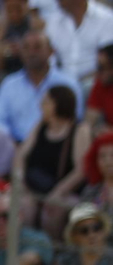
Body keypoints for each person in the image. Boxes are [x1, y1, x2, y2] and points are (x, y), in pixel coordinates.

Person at [18, 85, 91, 237]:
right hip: (34, 187)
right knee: (24, 206)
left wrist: (58, 192)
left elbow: (81, 170)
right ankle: (30, 247)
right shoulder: (40, 126)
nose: (41, 106)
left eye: (45, 102)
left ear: (58, 104)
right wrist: (20, 182)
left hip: (65, 191)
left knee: (53, 211)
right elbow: (21, 155)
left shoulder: (79, 129)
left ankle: (53, 253)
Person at [0, 30, 79, 144]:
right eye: (26, 47)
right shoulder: (9, 84)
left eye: (37, 47)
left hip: (57, 144)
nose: (31, 52)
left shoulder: (67, 83)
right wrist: (11, 142)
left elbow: (75, 119)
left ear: (51, 51)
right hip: (16, 145)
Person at [44, 0, 113, 88]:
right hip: (62, 83)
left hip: (95, 81)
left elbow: (108, 62)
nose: (57, 0)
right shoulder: (53, 22)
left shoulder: (107, 19)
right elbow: (50, 58)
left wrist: (78, 82)